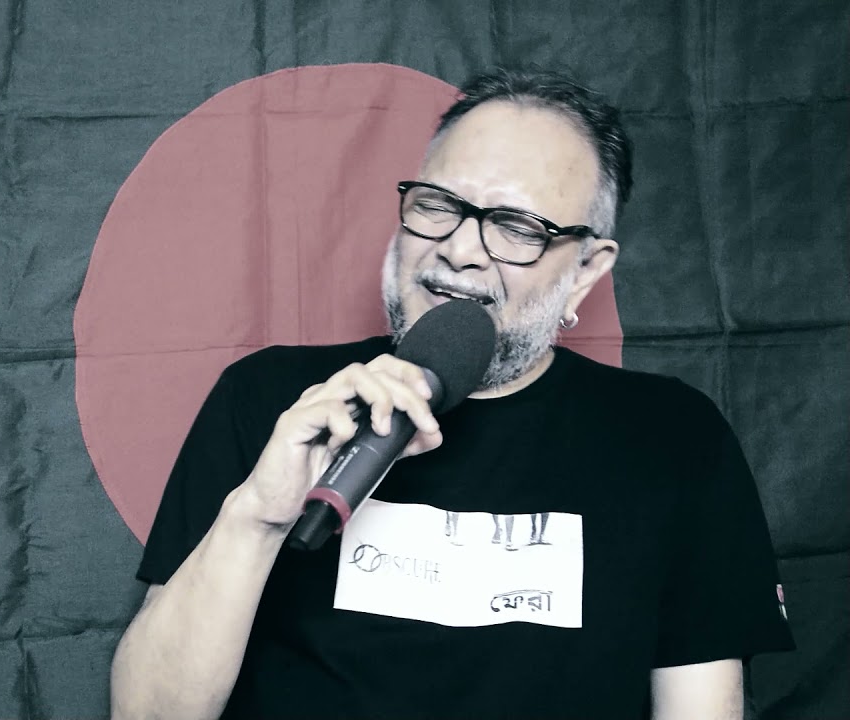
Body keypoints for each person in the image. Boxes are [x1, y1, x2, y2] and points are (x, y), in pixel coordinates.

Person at [110, 68, 793, 719]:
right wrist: (258, 518)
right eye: (438, 205)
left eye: (516, 227)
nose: (460, 249)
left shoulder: (675, 437)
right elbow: (145, 714)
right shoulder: (276, 401)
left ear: (586, 271)